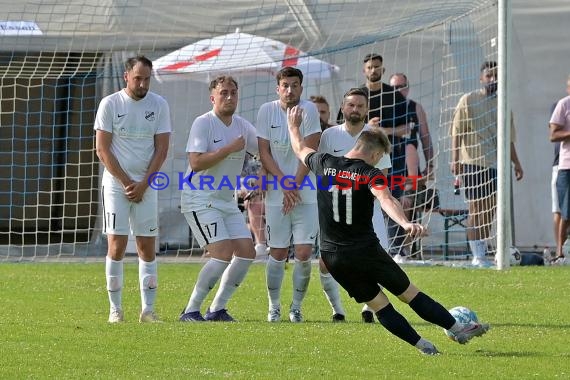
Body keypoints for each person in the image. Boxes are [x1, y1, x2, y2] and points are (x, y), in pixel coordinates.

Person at [287, 105, 490, 355]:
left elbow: (299, 147)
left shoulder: (323, 162)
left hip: (332, 256)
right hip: (365, 251)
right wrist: (405, 223)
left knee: (380, 306)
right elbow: (386, 199)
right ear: (374, 154)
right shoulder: (370, 174)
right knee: (409, 295)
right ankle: (458, 328)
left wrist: (293, 125)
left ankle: (424, 346)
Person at [94, 55, 171, 323]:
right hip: (117, 186)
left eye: (146, 79)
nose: (142, 84)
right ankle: (115, 310)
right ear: (126, 76)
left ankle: (148, 310)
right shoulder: (110, 103)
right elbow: (102, 150)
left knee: (146, 246)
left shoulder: (159, 105)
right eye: (137, 78)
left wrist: (144, 184)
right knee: (116, 245)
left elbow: (162, 149)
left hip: (147, 185)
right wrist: (128, 183)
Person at [179, 75, 258, 322]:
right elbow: (196, 161)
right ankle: (190, 311)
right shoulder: (203, 123)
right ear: (213, 97)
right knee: (222, 252)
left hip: (226, 200)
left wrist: (266, 173)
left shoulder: (243, 126)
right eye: (223, 93)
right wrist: (228, 150)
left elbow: (264, 151)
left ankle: (217, 309)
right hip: (199, 198)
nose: (229, 97)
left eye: (233, 92)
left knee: (247, 251)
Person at [319, 88, 392, 323]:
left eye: (360, 106)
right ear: (342, 107)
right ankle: (337, 309)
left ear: (366, 109)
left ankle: (369, 309)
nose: (355, 110)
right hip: (337, 211)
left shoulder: (375, 136)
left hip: (368, 210)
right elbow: (322, 172)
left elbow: (382, 175)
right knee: (326, 261)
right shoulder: (329, 136)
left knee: (379, 256)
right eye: (351, 105)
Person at [257, 67, 321, 323]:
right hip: (277, 193)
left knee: (304, 253)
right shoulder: (266, 110)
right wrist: (284, 184)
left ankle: (296, 307)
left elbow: (311, 150)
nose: (290, 90)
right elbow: (264, 153)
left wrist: (293, 184)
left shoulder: (310, 110)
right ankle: (274, 307)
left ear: (301, 88)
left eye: (295, 85)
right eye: (285, 85)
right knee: (278, 252)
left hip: (305, 191)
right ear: (278, 88)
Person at [451, 61, 524, 267]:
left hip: (496, 166)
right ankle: (477, 256)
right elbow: (457, 132)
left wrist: (517, 163)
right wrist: (455, 160)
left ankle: (482, 251)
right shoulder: (468, 100)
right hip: (472, 162)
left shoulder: (504, 104)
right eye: (489, 75)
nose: (493, 79)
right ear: (481, 78)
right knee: (476, 208)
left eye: (496, 76)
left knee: (490, 211)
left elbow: (509, 139)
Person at [338, 53, 410, 260]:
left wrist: (380, 131)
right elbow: (339, 124)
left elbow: (408, 128)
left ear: (383, 69)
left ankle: (395, 250)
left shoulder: (395, 96)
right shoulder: (355, 96)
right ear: (364, 70)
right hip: (356, 160)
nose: (373, 70)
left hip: (390, 157)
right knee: (357, 202)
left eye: (377, 67)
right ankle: (353, 245)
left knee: (389, 198)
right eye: (369, 67)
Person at [389, 73, 435, 261]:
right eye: (394, 87)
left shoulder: (415, 108)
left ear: (408, 87)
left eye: (402, 86)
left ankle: (402, 249)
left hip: (409, 169)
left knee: (406, 202)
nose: (398, 90)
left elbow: (425, 138)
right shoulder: (384, 107)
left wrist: (431, 164)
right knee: (390, 204)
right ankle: (393, 247)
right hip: (387, 166)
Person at [547, 75, 570, 265]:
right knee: (565, 211)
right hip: (566, 166)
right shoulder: (563, 105)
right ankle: (560, 253)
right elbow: (553, 135)